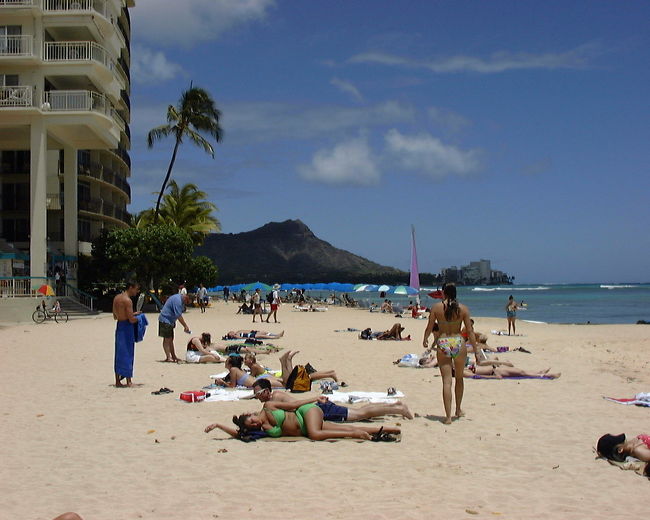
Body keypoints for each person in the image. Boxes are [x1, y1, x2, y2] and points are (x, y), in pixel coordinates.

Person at [205, 400, 401, 441]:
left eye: (252, 420)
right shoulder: (259, 429)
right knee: (347, 424)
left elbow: (295, 404)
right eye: (252, 425)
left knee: (316, 434)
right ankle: (389, 429)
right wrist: (218, 425)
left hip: (307, 413)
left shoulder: (268, 407)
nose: (255, 424)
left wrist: (315, 398)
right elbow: (239, 434)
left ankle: (355, 434)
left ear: (251, 414)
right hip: (307, 428)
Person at [422, 283, 477, 424]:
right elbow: (470, 331)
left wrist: (425, 339)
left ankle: (447, 417)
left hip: (443, 341)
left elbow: (429, 326)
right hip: (458, 341)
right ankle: (458, 409)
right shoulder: (463, 309)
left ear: (443, 293)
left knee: (447, 381)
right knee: (459, 378)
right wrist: (476, 350)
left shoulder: (436, 307)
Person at [251, 377, 414, 421]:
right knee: (361, 412)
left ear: (267, 391)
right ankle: (394, 405)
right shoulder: (271, 400)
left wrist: (316, 397)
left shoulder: (274, 398)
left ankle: (398, 408)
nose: (257, 397)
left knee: (361, 414)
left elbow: (294, 404)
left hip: (320, 410)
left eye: (258, 393)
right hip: (317, 409)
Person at [112, 281, 141, 387]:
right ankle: (129, 381)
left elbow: (115, 315)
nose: (137, 292)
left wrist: (132, 314)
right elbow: (131, 320)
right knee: (128, 353)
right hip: (127, 328)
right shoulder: (127, 300)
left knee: (119, 353)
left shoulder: (117, 298)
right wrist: (139, 319)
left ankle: (117, 381)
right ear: (130, 287)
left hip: (119, 326)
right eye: (136, 289)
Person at [213, 354, 285, 388]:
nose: (225, 362)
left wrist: (222, 383)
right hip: (261, 379)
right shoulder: (238, 370)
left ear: (230, 364)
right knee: (285, 383)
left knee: (286, 385)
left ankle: (285, 362)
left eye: (227, 361)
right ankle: (286, 362)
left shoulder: (233, 370)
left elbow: (232, 386)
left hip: (259, 383)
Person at [158, 292, 192, 362]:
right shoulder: (178, 300)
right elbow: (178, 315)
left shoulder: (179, 299)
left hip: (170, 321)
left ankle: (173, 356)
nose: (186, 303)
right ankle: (168, 357)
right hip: (165, 320)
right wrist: (185, 326)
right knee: (167, 339)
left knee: (170, 339)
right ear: (186, 298)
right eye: (187, 302)